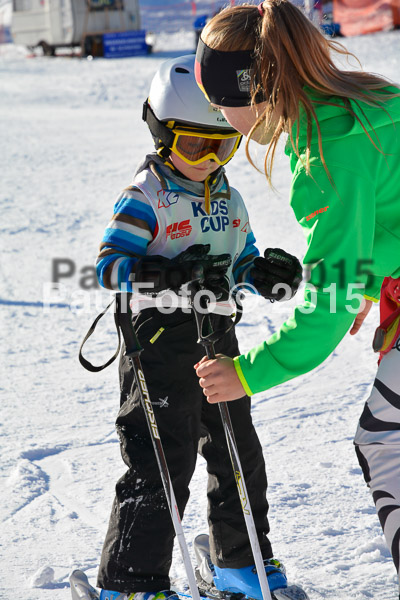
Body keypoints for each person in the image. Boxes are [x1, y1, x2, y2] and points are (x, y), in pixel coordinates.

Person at [192, 0, 400, 590]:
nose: (218, 115)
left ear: (252, 92)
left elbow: (325, 309)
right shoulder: (368, 102)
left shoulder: (328, 152)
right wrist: (365, 277)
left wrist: (249, 373)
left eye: (219, 102)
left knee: (386, 444)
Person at [94, 54, 305, 600]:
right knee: (164, 457)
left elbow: (240, 260)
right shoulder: (145, 198)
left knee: (238, 448)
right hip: (158, 342)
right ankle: (132, 582)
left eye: (223, 145)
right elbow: (108, 266)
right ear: (164, 134)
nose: (209, 159)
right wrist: (166, 272)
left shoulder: (228, 199)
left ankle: (240, 560)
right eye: (195, 145)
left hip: (218, 337)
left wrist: (264, 274)